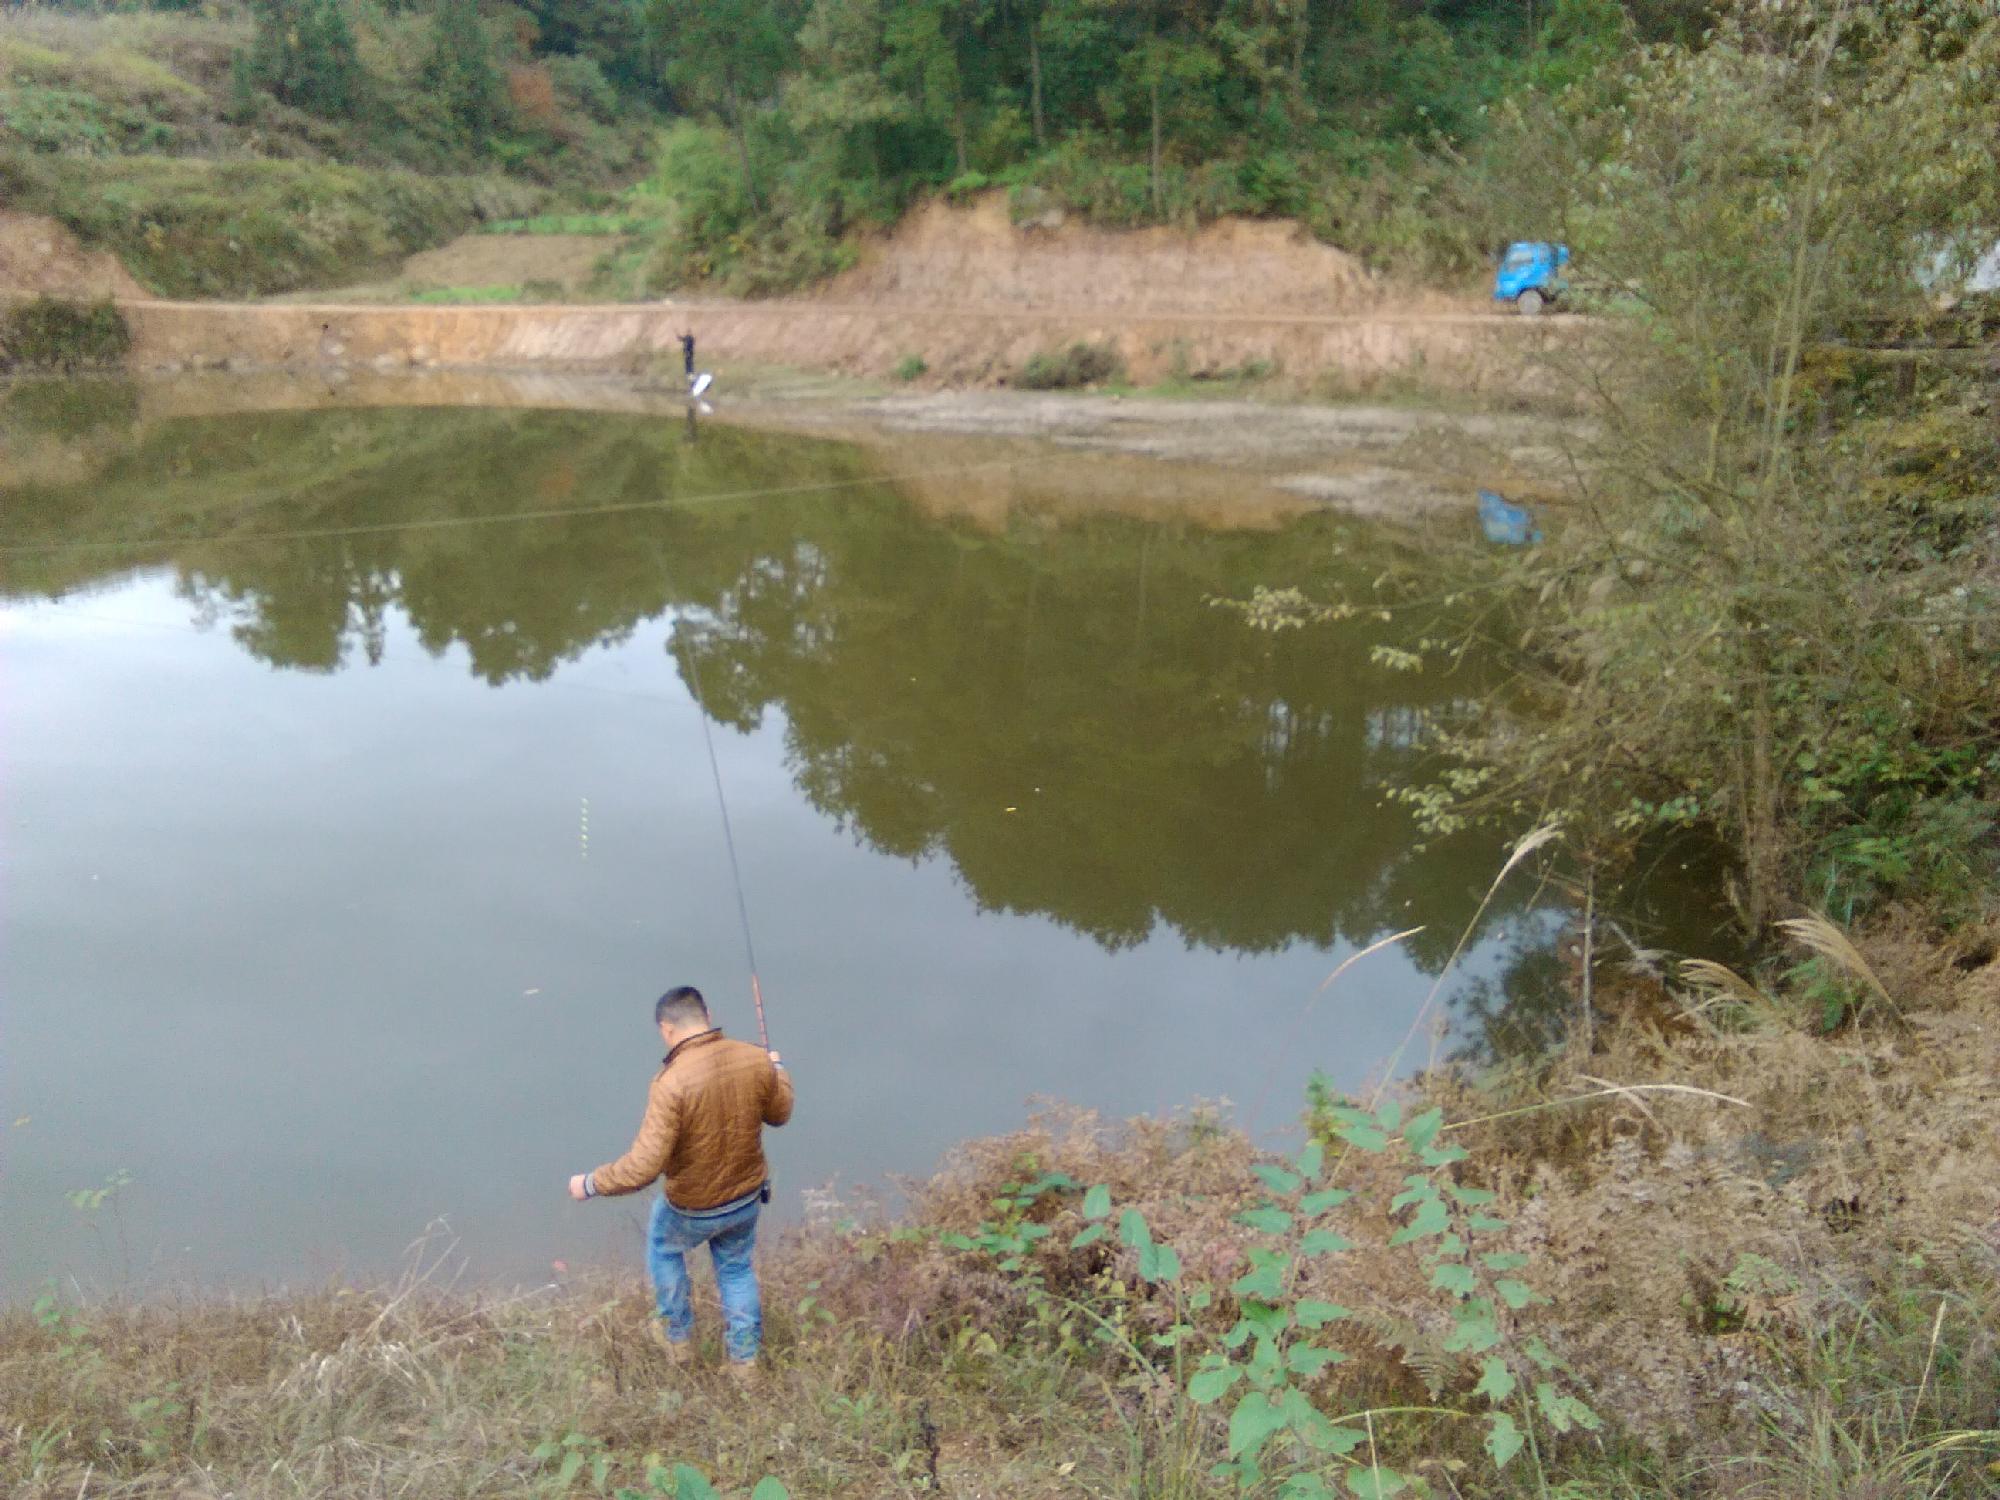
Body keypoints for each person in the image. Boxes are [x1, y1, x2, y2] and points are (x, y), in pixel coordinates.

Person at [568, 986, 793, 1378]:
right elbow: (780, 1114)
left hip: (692, 1206)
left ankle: (678, 1340)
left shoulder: (670, 1083)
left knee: (664, 1250)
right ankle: (744, 1362)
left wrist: (590, 1184)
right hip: (745, 1199)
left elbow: (643, 1167)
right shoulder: (753, 1059)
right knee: (736, 1270)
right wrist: (778, 1071)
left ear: (666, 1029)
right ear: (706, 1013)